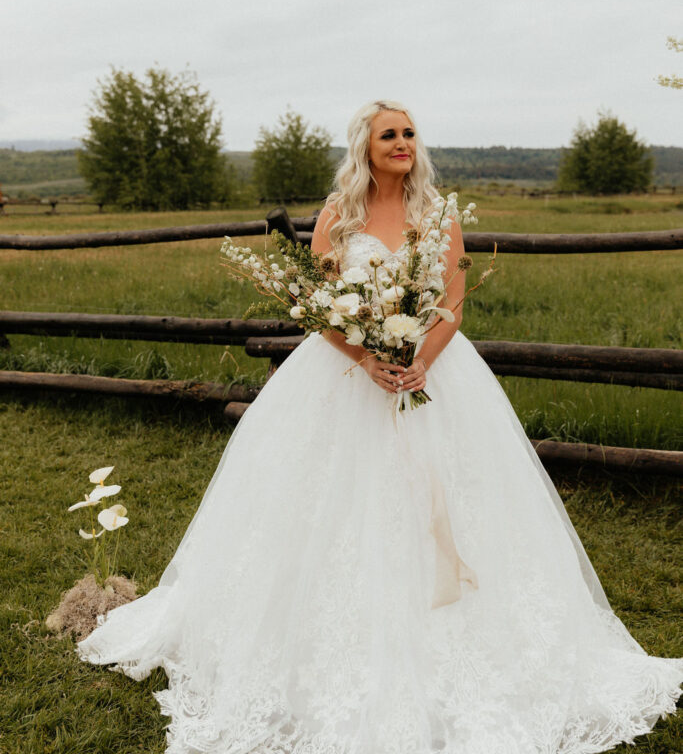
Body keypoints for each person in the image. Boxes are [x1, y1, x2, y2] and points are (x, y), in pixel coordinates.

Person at [77, 99, 683, 754]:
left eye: (408, 133)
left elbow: (451, 305)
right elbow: (319, 308)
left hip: (431, 376)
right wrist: (366, 356)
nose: (400, 142)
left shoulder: (439, 216)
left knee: (450, 497)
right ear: (363, 148)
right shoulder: (339, 217)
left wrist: (418, 361)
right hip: (344, 379)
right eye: (386, 134)